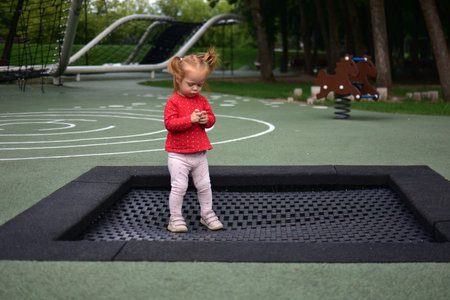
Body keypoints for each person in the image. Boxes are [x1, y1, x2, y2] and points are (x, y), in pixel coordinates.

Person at [164, 46, 223, 233]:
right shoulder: (173, 101)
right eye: (191, 84)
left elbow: (211, 119)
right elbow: (170, 124)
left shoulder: (201, 100)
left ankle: (207, 213)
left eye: (200, 84)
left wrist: (207, 120)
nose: (196, 88)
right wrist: (189, 120)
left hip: (199, 154)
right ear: (179, 79)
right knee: (179, 187)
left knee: (204, 186)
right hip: (178, 155)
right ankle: (175, 218)